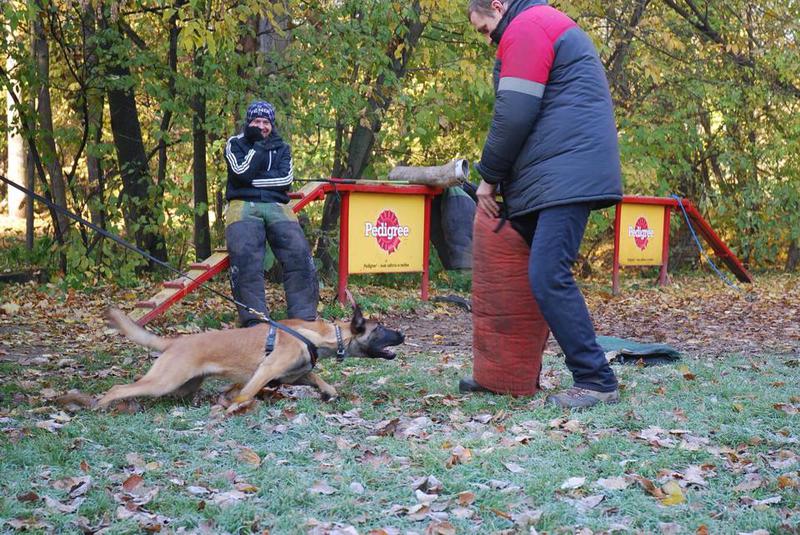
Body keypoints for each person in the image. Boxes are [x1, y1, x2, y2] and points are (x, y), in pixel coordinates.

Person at [462, 0, 623, 408]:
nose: (487, 39)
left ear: (497, 6)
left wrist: (490, 177)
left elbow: (514, 113)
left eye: (484, 28)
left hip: (567, 174)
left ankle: (596, 380)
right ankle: (505, 376)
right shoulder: (534, 26)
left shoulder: (529, 26)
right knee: (525, 273)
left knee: (548, 275)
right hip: (555, 173)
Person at [224, 100, 319, 326]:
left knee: (299, 253)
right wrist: (257, 147)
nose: (261, 126)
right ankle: (255, 322)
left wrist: (250, 182)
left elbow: (285, 180)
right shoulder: (235, 143)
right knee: (246, 257)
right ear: (248, 122)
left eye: (266, 122)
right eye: (256, 121)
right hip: (241, 203)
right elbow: (240, 172)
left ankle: (304, 319)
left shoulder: (282, 147)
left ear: (272, 124)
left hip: (278, 205)